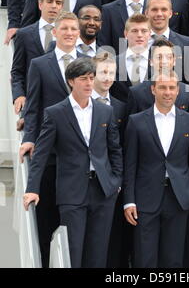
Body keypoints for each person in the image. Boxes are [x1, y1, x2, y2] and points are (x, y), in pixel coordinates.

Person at [24, 57, 122, 268]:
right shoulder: (55, 113)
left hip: (103, 191)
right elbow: (40, 154)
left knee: (98, 253)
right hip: (72, 192)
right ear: (70, 81)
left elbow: (115, 150)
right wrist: (32, 188)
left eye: (91, 78)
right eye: (83, 79)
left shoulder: (105, 111)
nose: (89, 83)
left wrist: (116, 181)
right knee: (73, 251)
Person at [19, 11, 83, 267]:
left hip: (79, 154)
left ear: (78, 34)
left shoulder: (89, 63)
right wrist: (30, 137)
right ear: (54, 32)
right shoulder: (40, 64)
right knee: (46, 220)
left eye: (73, 29)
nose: (69, 33)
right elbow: (33, 107)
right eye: (64, 28)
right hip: (51, 154)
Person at [123, 70, 189, 267]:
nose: (167, 92)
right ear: (153, 89)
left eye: (171, 88)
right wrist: (129, 201)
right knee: (145, 257)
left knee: (173, 258)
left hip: (178, 199)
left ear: (177, 91)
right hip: (145, 198)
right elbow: (130, 165)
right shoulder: (137, 121)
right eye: (162, 87)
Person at [92, 52, 128, 268]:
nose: (107, 78)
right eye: (103, 72)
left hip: (113, 181)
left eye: (111, 73)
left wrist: (118, 179)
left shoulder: (121, 106)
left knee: (113, 236)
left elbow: (122, 146)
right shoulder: (83, 104)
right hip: (88, 179)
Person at [11, 0, 64, 115]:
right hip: (31, 102)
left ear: (62, 7)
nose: (54, 6)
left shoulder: (67, 35)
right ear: (40, 5)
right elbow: (17, 71)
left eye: (58, 3)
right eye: (49, 1)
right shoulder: (24, 34)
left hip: (60, 104)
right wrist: (18, 95)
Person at [127, 38, 189, 115]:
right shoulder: (136, 93)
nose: (164, 61)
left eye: (168, 57)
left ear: (174, 61)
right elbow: (131, 125)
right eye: (159, 57)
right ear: (151, 61)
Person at [145, 0, 189, 86]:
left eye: (164, 9)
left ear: (170, 13)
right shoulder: (137, 42)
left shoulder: (186, 43)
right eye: (154, 10)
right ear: (146, 13)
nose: (159, 14)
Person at [110, 13, 151, 103]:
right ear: (126, 34)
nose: (139, 35)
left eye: (144, 31)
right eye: (134, 31)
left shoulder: (158, 62)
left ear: (150, 34)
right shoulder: (112, 62)